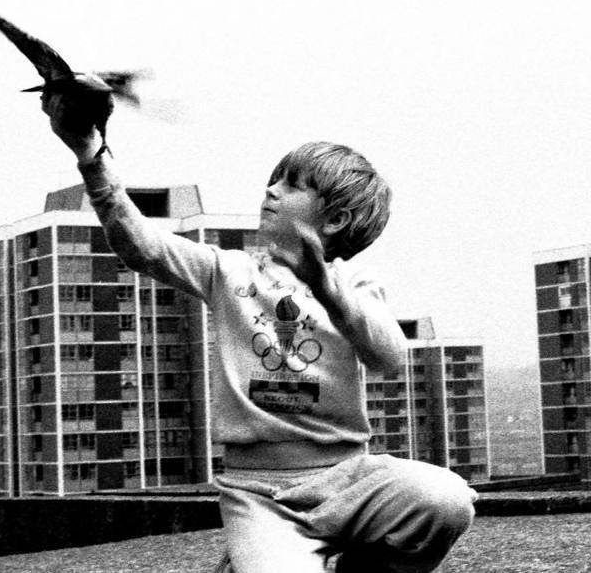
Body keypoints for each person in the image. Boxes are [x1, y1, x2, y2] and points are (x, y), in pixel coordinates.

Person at [42, 91, 476, 572]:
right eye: (272, 181)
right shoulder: (226, 271)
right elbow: (140, 244)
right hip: (260, 489)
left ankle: (355, 565)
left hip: (350, 476)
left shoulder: (355, 286)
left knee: (447, 500)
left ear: (334, 219)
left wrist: (326, 289)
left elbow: (388, 356)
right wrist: (90, 154)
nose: (270, 191)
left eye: (291, 186)